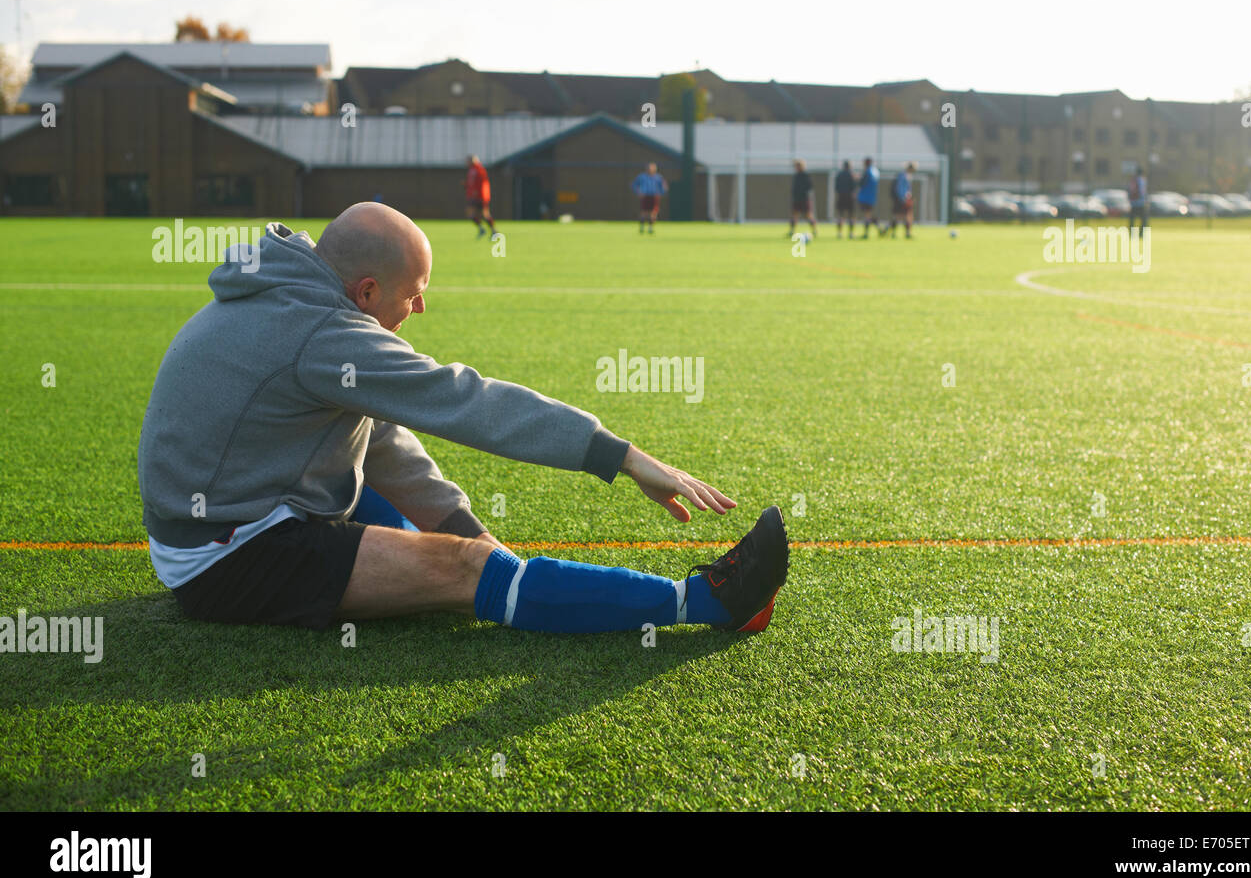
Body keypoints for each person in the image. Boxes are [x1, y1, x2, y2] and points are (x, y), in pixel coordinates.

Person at [136, 203, 789, 635]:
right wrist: (618, 454)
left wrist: (476, 535)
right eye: (413, 295)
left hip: (242, 505)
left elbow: (385, 444)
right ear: (367, 290)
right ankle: (707, 602)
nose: (418, 310)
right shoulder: (321, 333)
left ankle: (517, 583)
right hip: (228, 557)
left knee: (461, 549)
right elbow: (466, 402)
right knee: (463, 572)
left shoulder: (295, 292)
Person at [465, 155, 497, 239]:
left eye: (468, 160)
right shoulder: (471, 170)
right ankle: (482, 229)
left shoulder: (479, 169)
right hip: (473, 196)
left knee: (485, 214)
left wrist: (479, 192)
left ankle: (494, 231)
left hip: (480, 196)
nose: (466, 162)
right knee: (471, 213)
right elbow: (472, 183)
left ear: (473, 160)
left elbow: (483, 182)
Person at [632, 162, 669, 234]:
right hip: (645, 196)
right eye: (649, 168)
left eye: (652, 168)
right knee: (644, 212)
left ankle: (650, 228)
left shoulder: (658, 177)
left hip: (654, 196)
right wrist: (638, 192)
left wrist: (661, 193)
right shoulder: (642, 177)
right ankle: (642, 227)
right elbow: (634, 185)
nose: (650, 169)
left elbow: (664, 187)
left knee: (653, 213)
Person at [885, 162, 916, 238]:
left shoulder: (907, 176)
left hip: (903, 199)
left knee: (904, 216)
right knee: (899, 216)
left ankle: (905, 233)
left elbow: (907, 189)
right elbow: (900, 188)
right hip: (901, 200)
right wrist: (903, 198)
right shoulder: (903, 175)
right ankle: (893, 232)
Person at [789, 159, 817, 239]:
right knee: (794, 215)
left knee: (809, 215)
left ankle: (814, 230)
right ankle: (792, 231)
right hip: (796, 199)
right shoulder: (796, 175)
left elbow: (810, 187)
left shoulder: (806, 175)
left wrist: (804, 193)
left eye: (797, 166)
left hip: (804, 199)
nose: (796, 168)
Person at [855, 157, 881, 238]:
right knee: (868, 214)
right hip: (872, 196)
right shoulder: (875, 171)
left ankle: (866, 233)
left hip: (865, 196)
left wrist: (857, 178)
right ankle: (880, 228)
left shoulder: (867, 172)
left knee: (867, 215)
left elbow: (862, 183)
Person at [834, 160, 857, 238]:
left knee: (841, 215)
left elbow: (836, 187)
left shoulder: (839, 175)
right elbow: (854, 187)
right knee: (851, 215)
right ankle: (851, 233)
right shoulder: (851, 175)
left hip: (841, 196)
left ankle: (840, 233)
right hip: (849, 197)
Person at [1127, 166, 1149, 233]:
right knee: (1143, 220)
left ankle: (1131, 233)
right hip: (1141, 203)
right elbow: (1142, 192)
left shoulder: (1133, 180)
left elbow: (1129, 191)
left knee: (1132, 220)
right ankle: (1141, 234)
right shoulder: (1142, 180)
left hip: (1133, 203)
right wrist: (1146, 201)